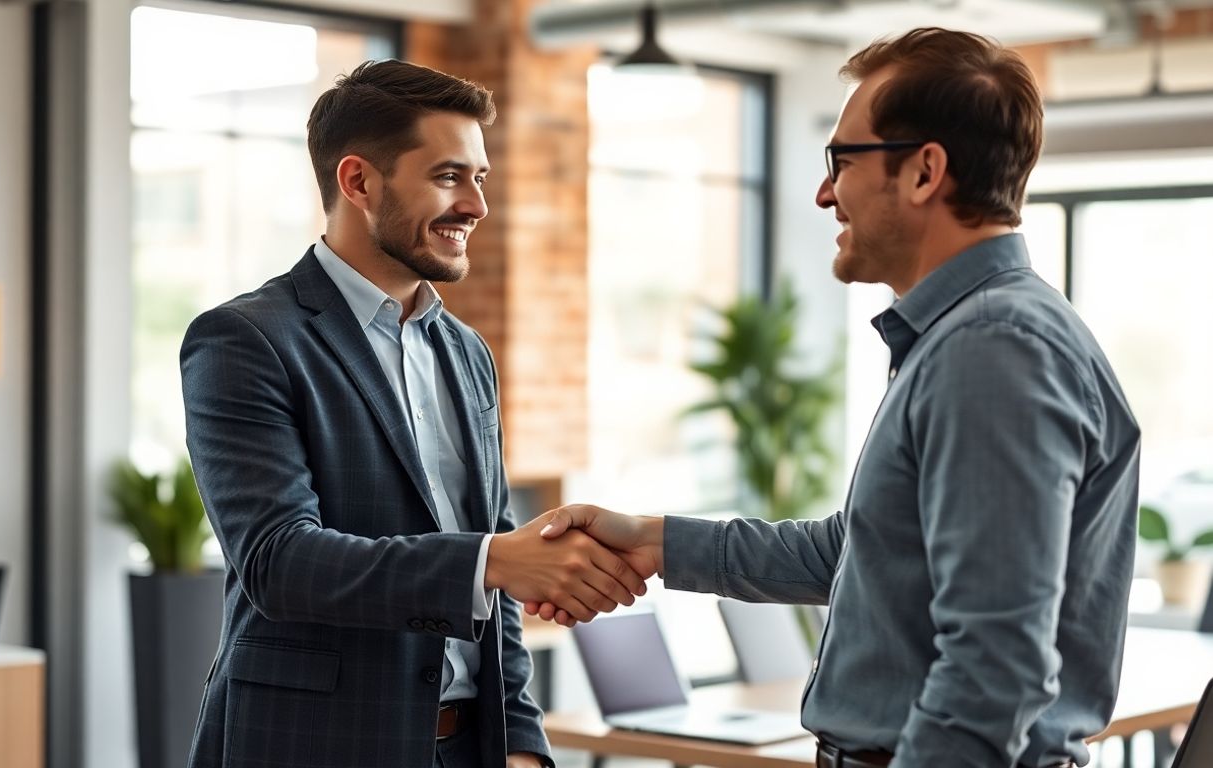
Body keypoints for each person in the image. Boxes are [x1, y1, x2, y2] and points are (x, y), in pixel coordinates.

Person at [527, 27, 1140, 768]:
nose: (824, 192)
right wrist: (653, 541)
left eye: (841, 161)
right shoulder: (965, 336)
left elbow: (995, 667)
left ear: (923, 173)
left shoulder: (993, 348)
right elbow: (858, 552)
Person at [180, 59, 646, 768]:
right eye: (449, 176)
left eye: (479, 179)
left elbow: (499, 573)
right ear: (359, 181)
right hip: (310, 748)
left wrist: (520, 741)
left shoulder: (466, 353)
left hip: (467, 748)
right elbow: (280, 561)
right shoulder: (246, 339)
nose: (477, 206)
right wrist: (493, 561)